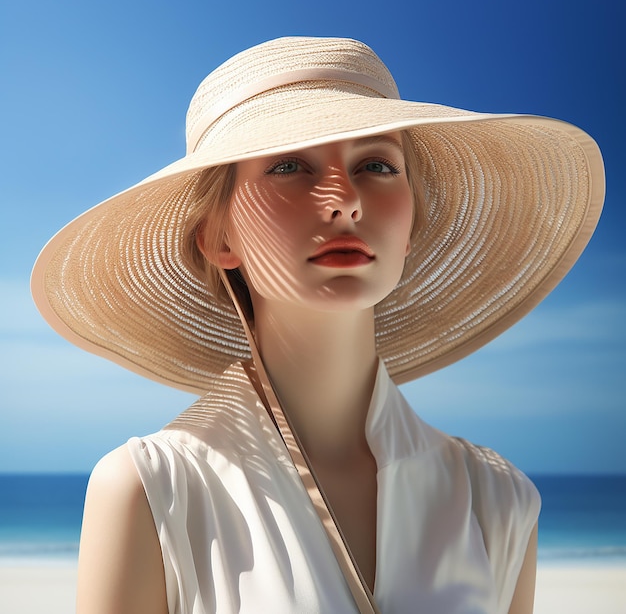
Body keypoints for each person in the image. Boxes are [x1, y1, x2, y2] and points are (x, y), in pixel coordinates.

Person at [31, 36, 604, 614]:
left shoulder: (497, 500)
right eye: (289, 165)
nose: (345, 201)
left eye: (376, 165)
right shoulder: (154, 489)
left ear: (410, 228)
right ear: (218, 237)